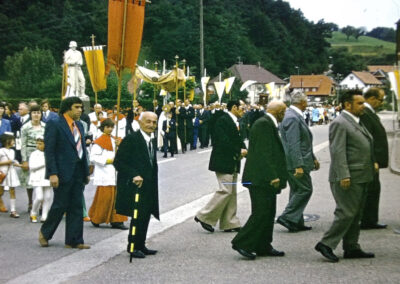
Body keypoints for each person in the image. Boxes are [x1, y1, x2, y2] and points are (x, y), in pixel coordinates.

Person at [315, 89, 377, 263]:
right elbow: (338, 151)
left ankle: (351, 246)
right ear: (347, 104)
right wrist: (343, 175)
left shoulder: (356, 121)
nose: (363, 106)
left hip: (361, 175)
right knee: (346, 212)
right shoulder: (340, 123)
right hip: (348, 176)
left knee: (356, 213)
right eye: (359, 103)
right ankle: (326, 244)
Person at [231, 101, 288, 260]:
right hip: (260, 178)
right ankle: (243, 242)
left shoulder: (266, 122)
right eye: (284, 111)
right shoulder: (264, 124)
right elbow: (263, 152)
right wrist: (272, 175)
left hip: (262, 177)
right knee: (261, 212)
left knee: (269, 212)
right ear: (280, 112)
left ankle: (263, 244)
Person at [38, 97, 90, 249]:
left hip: (78, 171)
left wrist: (86, 171)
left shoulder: (79, 125)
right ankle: (45, 233)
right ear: (68, 108)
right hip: (62, 172)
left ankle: (74, 240)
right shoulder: (55, 124)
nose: (80, 110)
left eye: (81, 107)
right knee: (60, 205)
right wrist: (52, 173)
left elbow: (82, 151)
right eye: (77, 107)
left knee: (76, 206)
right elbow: (50, 150)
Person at [194, 101, 247, 233]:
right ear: (234, 107)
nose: (244, 110)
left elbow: (238, 139)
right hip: (223, 161)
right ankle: (204, 216)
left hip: (232, 161)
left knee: (232, 192)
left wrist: (243, 149)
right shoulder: (223, 120)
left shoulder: (233, 120)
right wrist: (238, 150)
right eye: (242, 108)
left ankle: (230, 222)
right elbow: (222, 140)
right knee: (226, 190)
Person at [114, 112, 159, 259]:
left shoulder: (151, 140)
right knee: (136, 216)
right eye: (148, 122)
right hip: (134, 185)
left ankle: (141, 245)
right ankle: (132, 246)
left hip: (148, 185)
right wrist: (134, 174)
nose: (151, 125)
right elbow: (119, 162)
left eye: (154, 122)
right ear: (140, 123)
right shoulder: (131, 139)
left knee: (145, 215)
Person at [277, 92, 320, 232]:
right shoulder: (292, 117)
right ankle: (287, 216)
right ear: (301, 102)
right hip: (295, 162)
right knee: (305, 189)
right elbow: (293, 144)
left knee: (297, 190)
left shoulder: (293, 115)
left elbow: (304, 141)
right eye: (306, 100)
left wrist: (313, 157)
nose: (307, 103)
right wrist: (298, 165)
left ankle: (296, 221)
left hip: (298, 160)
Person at [89, 119, 128, 230]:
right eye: (108, 127)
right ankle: (96, 217)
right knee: (105, 198)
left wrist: (120, 146)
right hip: (105, 172)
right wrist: (107, 160)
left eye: (111, 127)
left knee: (118, 197)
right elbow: (93, 157)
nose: (110, 129)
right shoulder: (98, 142)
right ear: (103, 127)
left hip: (116, 172)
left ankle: (117, 220)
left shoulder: (115, 139)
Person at [360, 88, 388, 229]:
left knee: (373, 189)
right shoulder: (365, 113)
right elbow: (368, 139)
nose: (381, 103)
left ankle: (370, 219)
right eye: (380, 100)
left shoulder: (370, 112)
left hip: (374, 160)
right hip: (372, 160)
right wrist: (373, 159)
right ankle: (368, 220)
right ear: (371, 98)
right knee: (371, 189)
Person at [21, 105, 46, 213]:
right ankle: (31, 202)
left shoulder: (45, 126)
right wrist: (24, 160)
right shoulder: (25, 127)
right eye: (34, 113)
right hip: (30, 153)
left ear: (41, 114)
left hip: (43, 154)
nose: (36, 115)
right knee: (29, 180)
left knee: (43, 178)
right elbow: (22, 144)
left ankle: (41, 204)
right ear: (30, 114)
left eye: (38, 113)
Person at [29, 136, 52, 223]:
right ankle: (33, 212)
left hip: (47, 177)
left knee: (47, 197)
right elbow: (32, 167)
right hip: (37, 177)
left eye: (40, 144)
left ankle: (44, 215)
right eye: (37, 143)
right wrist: (44, 164)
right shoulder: (34, 154)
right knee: (39, 197)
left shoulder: (49, 153)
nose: (38, 145)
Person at [0, 132, 21, 217]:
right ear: (7, 141)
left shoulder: (12, 151)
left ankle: (13, 210)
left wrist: (21, 165)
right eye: (12, 140)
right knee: (1, 192)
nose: (14, 142)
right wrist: (7, 162)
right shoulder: (1, 151)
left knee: (12, 190)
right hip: (2, 173)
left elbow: (13, 162)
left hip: (11, 172)